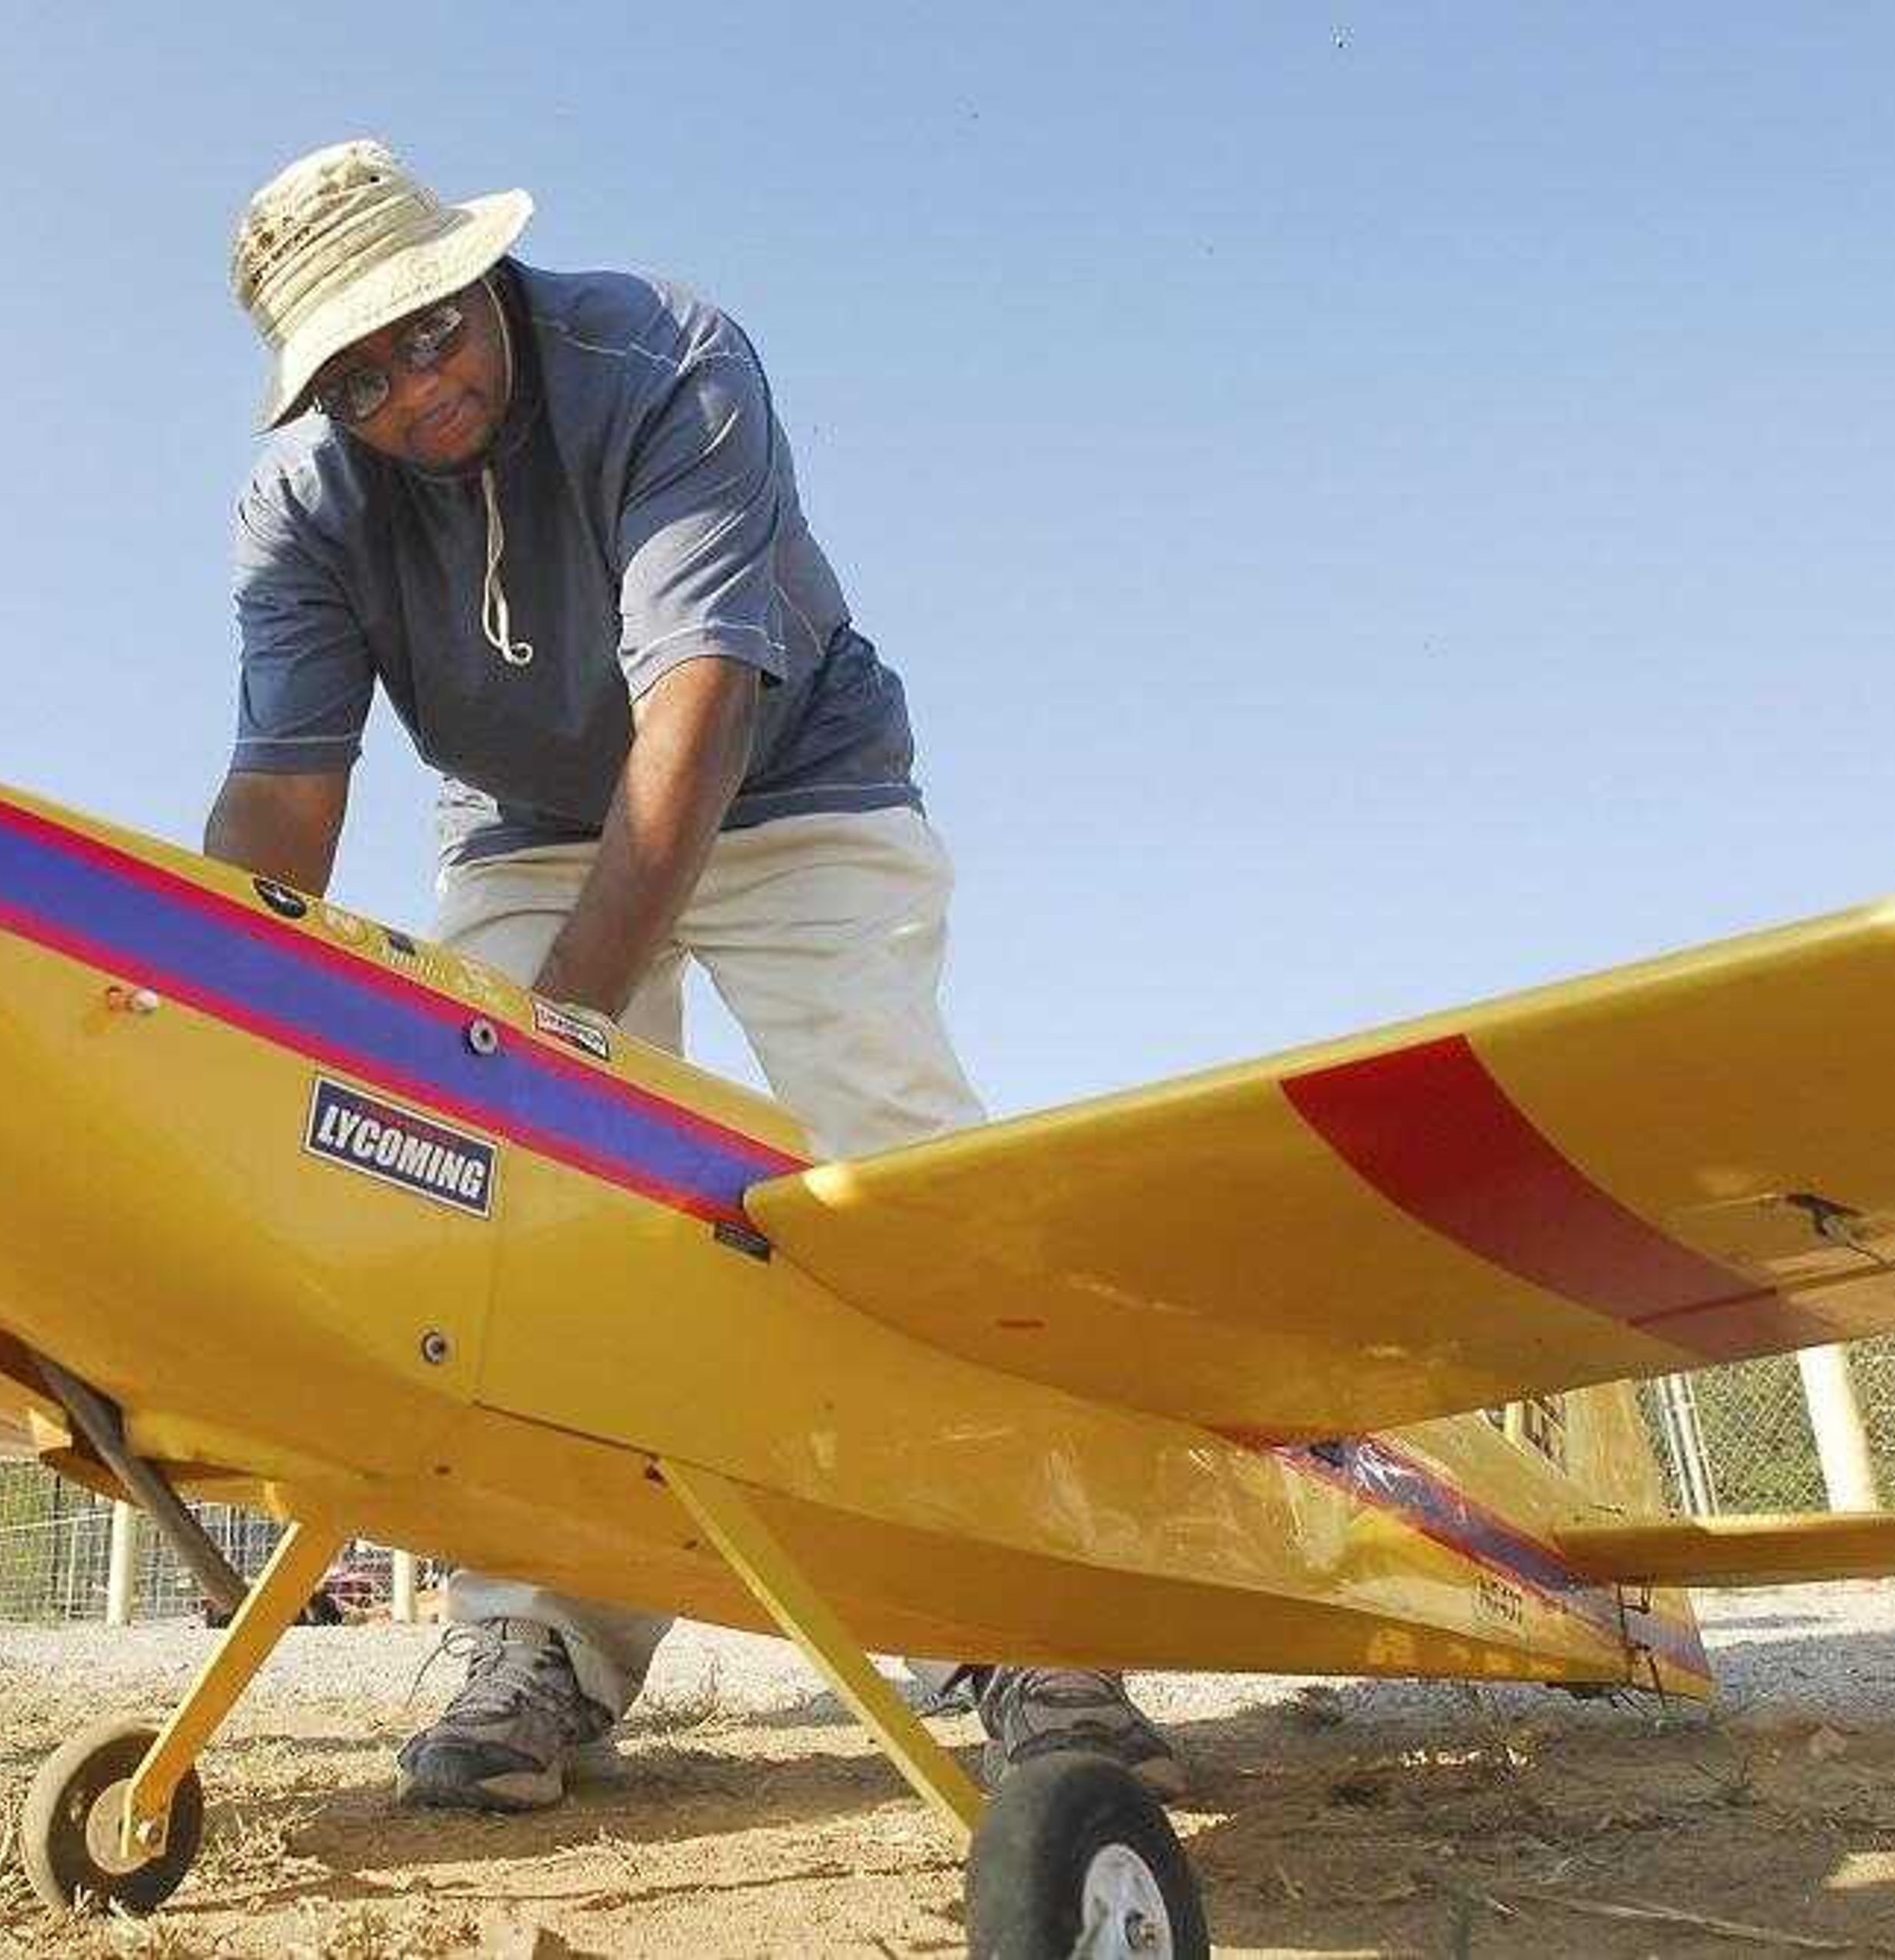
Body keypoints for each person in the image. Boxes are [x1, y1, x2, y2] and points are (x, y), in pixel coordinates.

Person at [209, 139, 1185, 1813]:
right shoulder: (303, 506)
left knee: (888, 1139)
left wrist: (569, 1030)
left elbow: (700, 705)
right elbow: (286, 794)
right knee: (510, 1199)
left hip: (785, 767)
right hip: (523, 819)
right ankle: (540, 1641)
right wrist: (217, 1028)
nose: (411, 388)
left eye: (427, 332)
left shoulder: (665, 356)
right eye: (358, 375)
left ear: (476, 275)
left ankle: (1027, 1620)